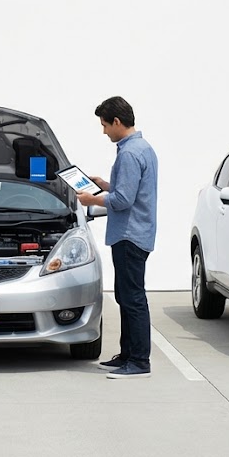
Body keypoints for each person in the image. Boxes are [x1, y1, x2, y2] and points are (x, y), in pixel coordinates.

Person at [77, 96, 158, 379]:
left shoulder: (129, 154)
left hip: (129, 235)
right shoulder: (142, 148)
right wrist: (104, 185)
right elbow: (130, 190)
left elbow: (123, 200)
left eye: (104, 125)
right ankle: (127, 355)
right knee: (126, 296)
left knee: (132, 298)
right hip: (136, 233)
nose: (104, 132)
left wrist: (92, 199)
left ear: (116, 121)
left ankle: (139, 362)